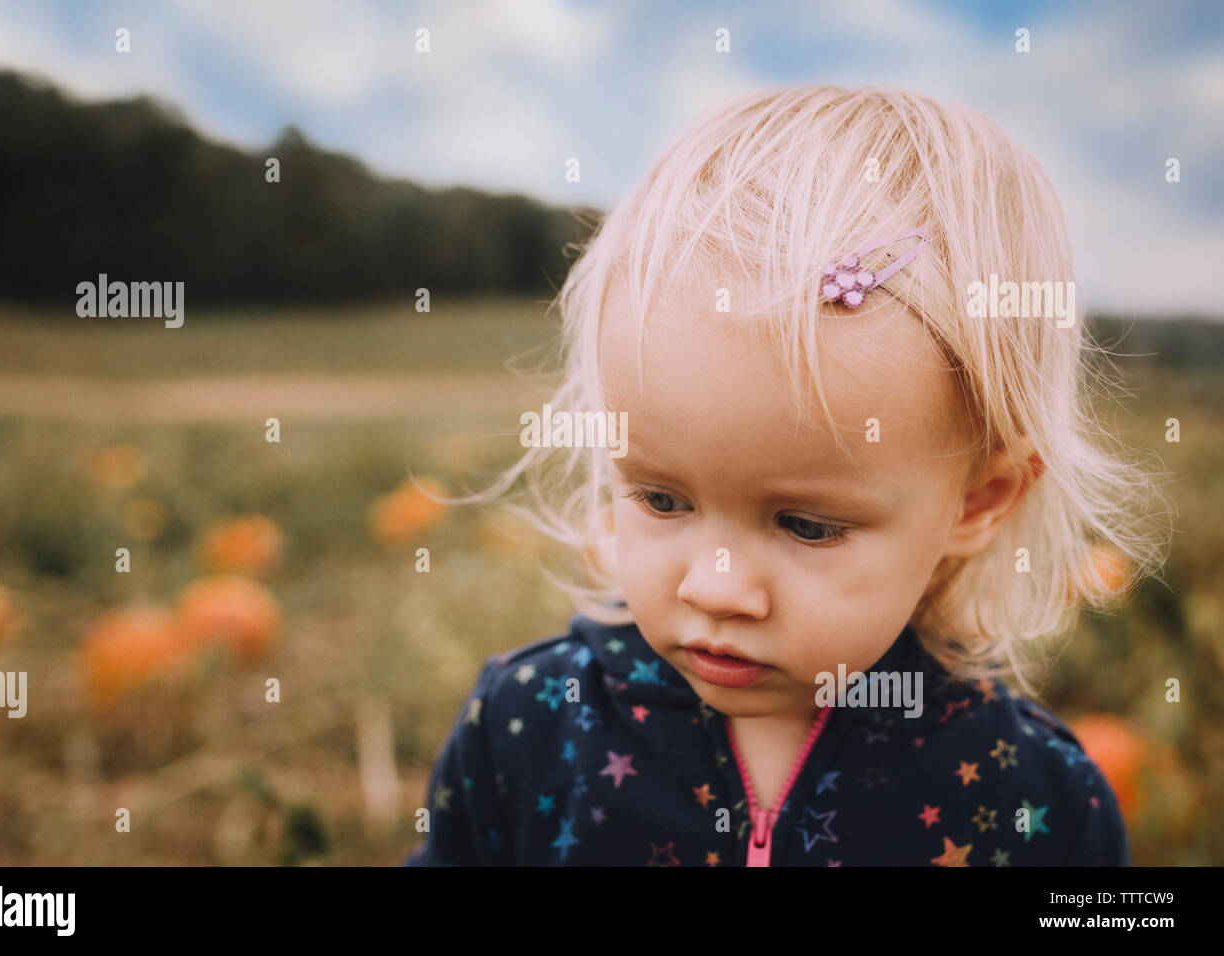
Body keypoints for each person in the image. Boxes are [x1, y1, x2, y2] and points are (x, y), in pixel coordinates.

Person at [404, 84, 1169, 866]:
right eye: (662, 499)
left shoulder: (1032, 801)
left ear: (979, 502)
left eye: (806, 524)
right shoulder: (527, 728)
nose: (717, 588)